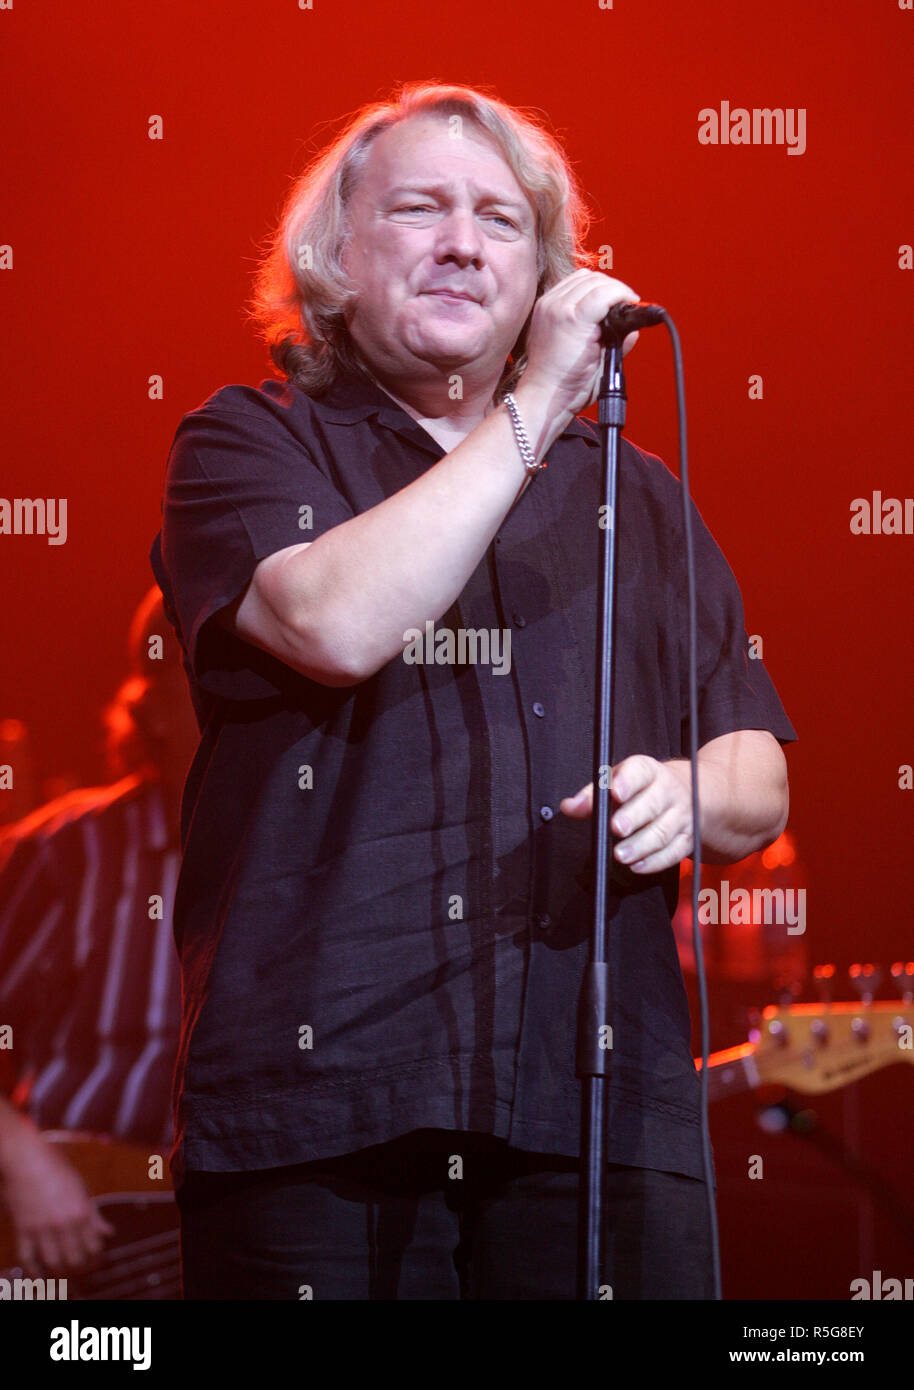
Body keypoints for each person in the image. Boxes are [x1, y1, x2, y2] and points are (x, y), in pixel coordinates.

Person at [150, 80, 796, 1300]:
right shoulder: (251, 438)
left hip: (595, 1102)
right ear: (334, 255)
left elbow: (757, 769)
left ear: (543, 273)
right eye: (419, 209)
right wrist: (535, 402)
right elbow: (333, 623)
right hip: (325, 1105)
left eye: (500, 221)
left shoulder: (637, 494)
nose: (462, 241)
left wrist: (687, 790)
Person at [0, 588, 196, 1288]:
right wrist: (20, 1163)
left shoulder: (296, 856)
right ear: (154, 704)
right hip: (71, 1234)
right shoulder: (66, 853)